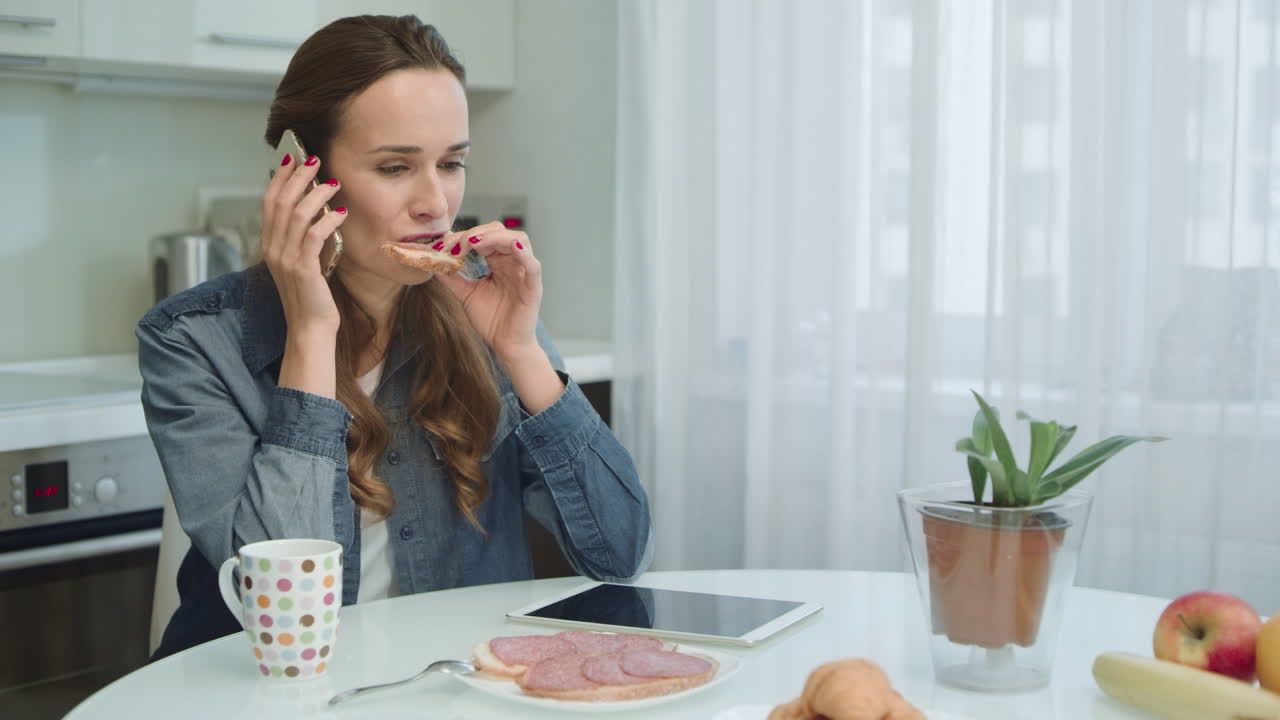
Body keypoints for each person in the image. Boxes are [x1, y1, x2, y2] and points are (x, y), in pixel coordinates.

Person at [139, 14, 652, 660]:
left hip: (447, 692)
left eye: (452, 163)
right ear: (305, 176)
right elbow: (284, 615)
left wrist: (520, 350)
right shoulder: (191, 341)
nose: (436, 203)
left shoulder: (482, 309)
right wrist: (311, 332)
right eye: (394, 167)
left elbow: (620, 554)